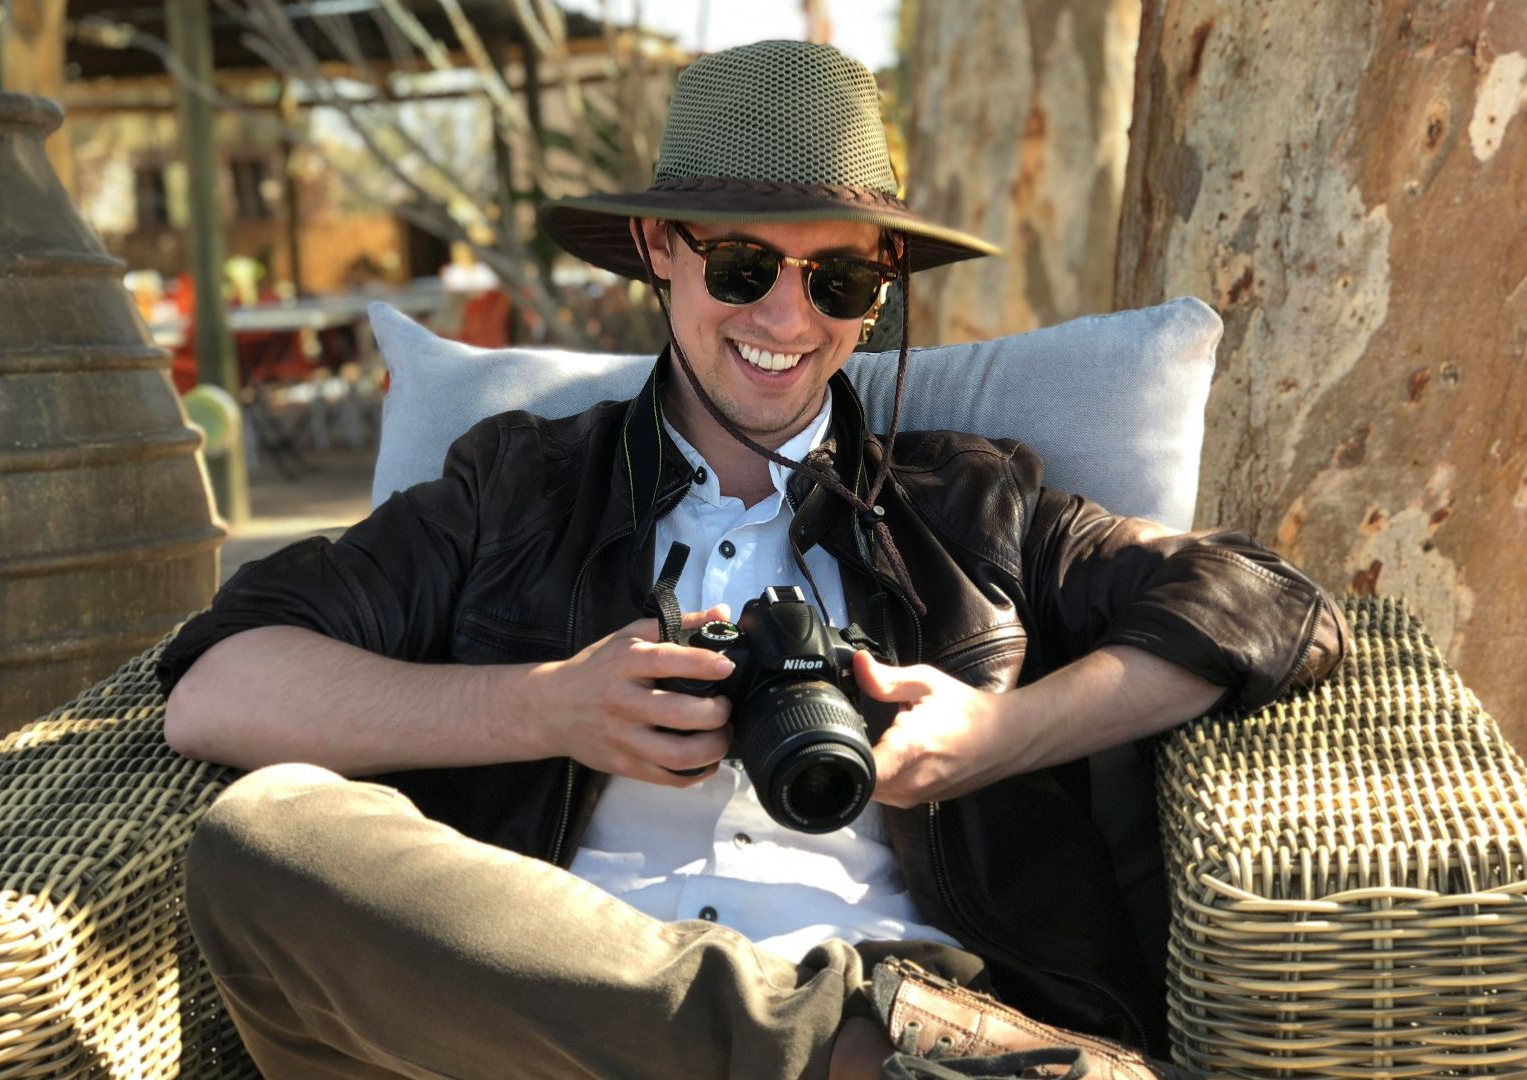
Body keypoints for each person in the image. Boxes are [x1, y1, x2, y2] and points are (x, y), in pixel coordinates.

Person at [158, 40, 1346, 1080]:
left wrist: (1001, 734)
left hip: (906, 990)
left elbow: (1273, 604)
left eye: (836, 278)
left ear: (880, 284)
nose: (785, 321)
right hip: (545, 1030)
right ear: (658, 249)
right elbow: (220, 689)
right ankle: (839, 1058)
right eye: (741, 268)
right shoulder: (514, 487)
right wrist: (543, 708)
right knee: (267, 836)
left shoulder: (970, 503)